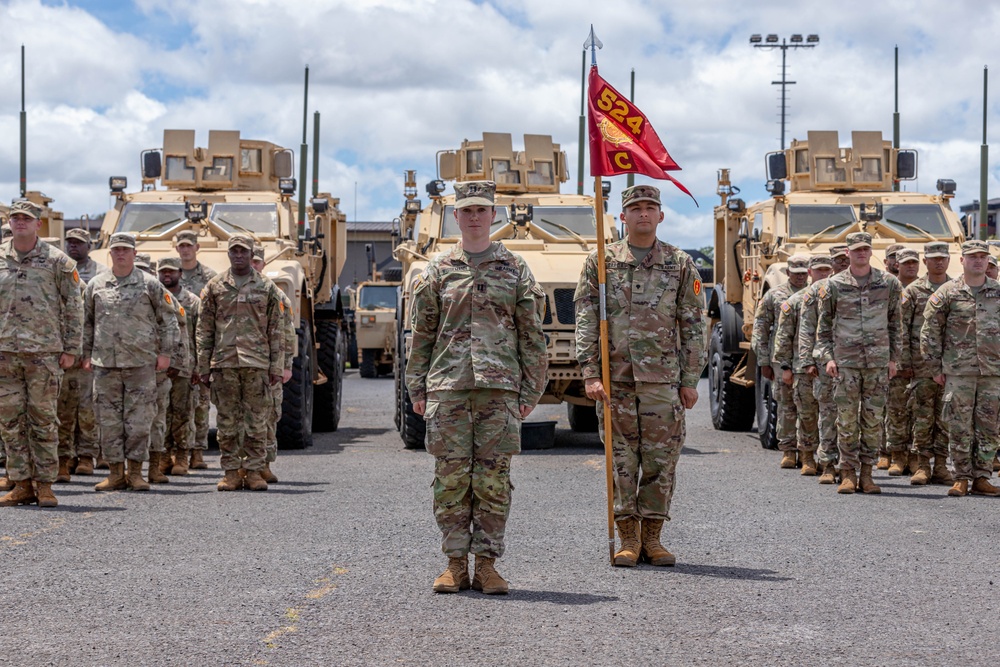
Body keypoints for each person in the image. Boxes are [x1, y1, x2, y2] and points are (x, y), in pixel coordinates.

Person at [408, 180, 547, 595]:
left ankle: (487, 565)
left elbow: (531, 335)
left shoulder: (515, 268)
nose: (474, 217)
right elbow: (423, 334)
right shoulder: (438, 269)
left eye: (481, 210)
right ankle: (454, 564)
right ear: (456, 216)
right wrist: (417, 389)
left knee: (493, 479)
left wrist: (530, 393)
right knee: (450, 479)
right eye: (466, 210)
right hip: (448, 388)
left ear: (493, 215)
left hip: (499, 390)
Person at [575, 184, 705, 568]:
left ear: (661, 215)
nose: (643, 214)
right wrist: (590, 373)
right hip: (616, 379)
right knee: (621, 461)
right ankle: (627, 538)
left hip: (662, 380)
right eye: (636, 208)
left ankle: (653, 537)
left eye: (650, 207)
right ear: (623, 217)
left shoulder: (679, 263)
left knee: (661, 460)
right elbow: (585, 319)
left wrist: (689, 379)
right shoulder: (601, 261)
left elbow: (694, 323)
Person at [0, 200, 82, 508]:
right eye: (15, 218)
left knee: (44, 419)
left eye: (27, 218)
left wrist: (72, 348)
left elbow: (74, 307)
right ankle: (21, 483)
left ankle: (45, 484)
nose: (20, 222)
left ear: (39, 224)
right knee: (10, 421)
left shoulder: (58, 262)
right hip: (5, 353)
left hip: (44, 354)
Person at [84, 233, 176, 492]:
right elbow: (87, 322)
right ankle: (115, 473)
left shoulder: (151, 284)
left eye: (126, 249)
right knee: (108, 421)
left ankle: (136, 473)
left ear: (134, 254)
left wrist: (166, 353)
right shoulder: (96, 284)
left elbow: (168, 320)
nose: (121, 254)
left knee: (139, 420)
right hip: (105, 364)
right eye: (116, 250)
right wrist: (85, 354)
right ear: (110, 253)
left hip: (140, 363)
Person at [816, 232, 902, 494]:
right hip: (846, 363)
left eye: (865, 249)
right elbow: (824, 327)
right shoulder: (833, 285)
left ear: (870, 251)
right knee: (846, 421)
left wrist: (894, 359)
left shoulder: (889, 283)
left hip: (877, 362)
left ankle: (867, 474)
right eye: (856, 250)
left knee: (873, 420)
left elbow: (895, 324)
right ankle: (847, 473)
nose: (861, 253)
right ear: (848, 253)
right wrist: (827, 357)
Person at [196, 233, 283, 492]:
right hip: (224, 363)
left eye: (243, 251)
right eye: (234, 251)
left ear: (251, 253)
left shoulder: (266, 287)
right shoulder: (215, 286)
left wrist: (276, 367)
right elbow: (204, 329)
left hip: (256, 364)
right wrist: (202, 367)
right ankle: (231, 472)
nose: (238, 255)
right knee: (227, 422)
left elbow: (276, 330)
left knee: (257, 421)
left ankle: (255, 472)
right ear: (228, 254)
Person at [920, 240, 1000, 497]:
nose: (978, 261)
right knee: (959, 426)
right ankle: (962, 477)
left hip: (992, 372)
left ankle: (983, 477)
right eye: (973, 257)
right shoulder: (947, 292)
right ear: (962, 260)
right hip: (958, 371)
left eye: (982, 257)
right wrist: (934, 366)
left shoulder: (998, 291)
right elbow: (930, 330)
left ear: (988, 261)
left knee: (989, 427)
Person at [772, 254, 834, 476]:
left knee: (828, 416)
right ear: (810, 273)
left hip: (829, 368)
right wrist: (786, 368)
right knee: (807, 415)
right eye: (819, 271)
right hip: (802, 369)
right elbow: (783, 337)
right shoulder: (796, 302)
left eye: (827, 270)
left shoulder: (837, 298)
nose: (823, 274)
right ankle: (806, 456)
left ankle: (826, 458)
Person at [55, 228, 108, 480]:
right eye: (70, 243)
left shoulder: (98, 276)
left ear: (89, 245)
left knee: (87, 409)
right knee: (62, 410)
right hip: (59, 353)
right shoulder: (55, 270)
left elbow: (93, 321)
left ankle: (86, 455)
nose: (73, 247)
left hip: (85, 352)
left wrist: (90, 353)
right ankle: (64, 458)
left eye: (79, 243)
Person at [900, 242, 953, 486]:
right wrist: (905, 362)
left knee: (945, 418)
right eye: (934, 258)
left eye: (943, 258)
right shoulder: (913, 290)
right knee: (922, 417)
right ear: (925, 261)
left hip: (952, 365)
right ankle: (922, 465)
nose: (939, 262)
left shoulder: (956, 288)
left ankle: (941, 465)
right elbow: (902, 328)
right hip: (921, 366)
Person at [797, 244, 849, 484]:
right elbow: (807, 328)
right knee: (827, 413)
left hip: (855, 362)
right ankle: (827, 464)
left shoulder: (861, 286)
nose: (843, 264)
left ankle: (849, 465)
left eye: (845, 259)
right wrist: (807, 360)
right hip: (826, 361)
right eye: (838, 260)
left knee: (852, 416)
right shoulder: (818, 290)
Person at [752, 254, 809, 468]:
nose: (801, 277)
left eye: (804, 274)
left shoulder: (813, 294)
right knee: (785, 404)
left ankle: (806, 449)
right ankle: (787, 449)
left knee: (808, 405)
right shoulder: (774, 296)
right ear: (788, 273)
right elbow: (761, 328)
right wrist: (763, 360)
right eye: (797, 274)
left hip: (805, 357)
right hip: (781, 357)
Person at [175, 229, 217, 470]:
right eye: (182, 245)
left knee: (201, 404)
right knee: (177, 406)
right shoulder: (169, 275)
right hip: (176, 351)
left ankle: (198, 451)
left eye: (189, 245)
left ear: (197, 247)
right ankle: (176, 451)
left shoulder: (209, 277)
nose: (185, 249)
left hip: (199, 349)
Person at [251, 245, 294, 484]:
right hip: (245, 365)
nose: (254, 266)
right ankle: (245, 465)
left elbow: (287, 335)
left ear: (263, 265)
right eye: (251, 262)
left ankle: (265, 463)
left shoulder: (277, 295)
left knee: (269, 416)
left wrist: (285, 365)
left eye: (258, 262)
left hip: (270, 366)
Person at [158, 257, 200, 476]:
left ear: (180, 274)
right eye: (163, 271)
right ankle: (164, 455)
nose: (167, 275)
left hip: (184, 366)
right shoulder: (153, 298)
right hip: (159, 367)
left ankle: (182, 455)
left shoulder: (192, 301)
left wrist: (198, 367)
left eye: (171, 271)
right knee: (161, 413)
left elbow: (199, 336)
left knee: (183, 413)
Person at [882, 248, 920, 476]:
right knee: (895, 411)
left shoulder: (926, 289)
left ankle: (916, 458)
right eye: (904, 262)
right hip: (894, 360)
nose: (909, 267)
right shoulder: (887, 287)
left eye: (913, 263)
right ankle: (896, 456)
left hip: (921, 362)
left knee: (919, 413)